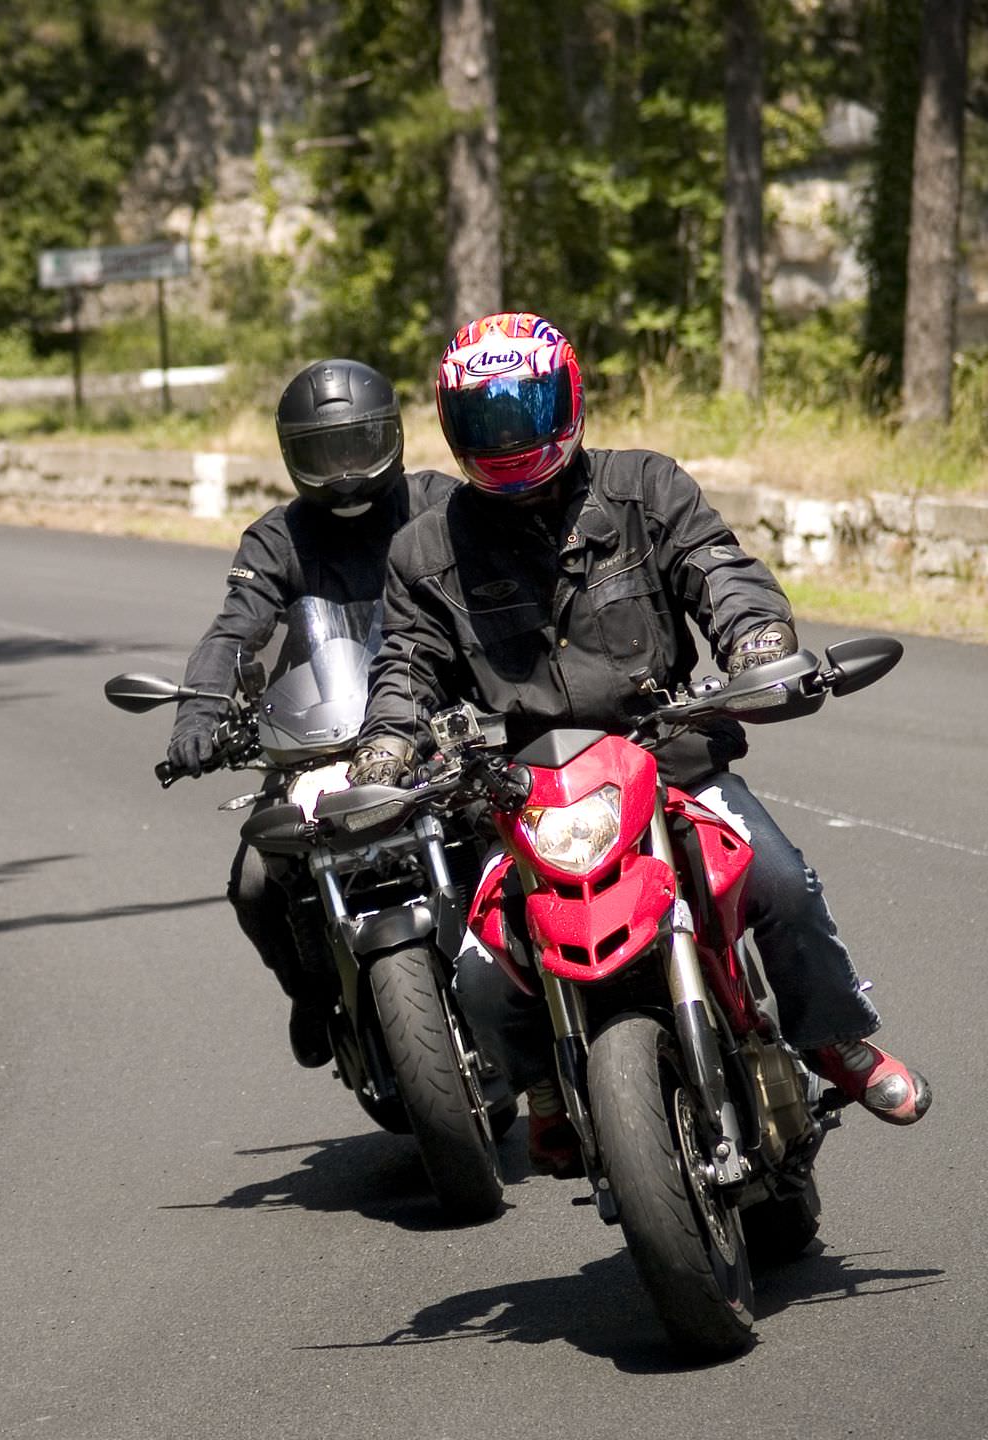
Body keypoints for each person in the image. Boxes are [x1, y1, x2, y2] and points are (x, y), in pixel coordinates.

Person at [348, 311, 930, 1171]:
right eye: (485, 418)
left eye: (523, 410)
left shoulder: (644, 489)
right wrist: (386, 751)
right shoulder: (427, 549)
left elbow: (720, 568)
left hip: (670, 758)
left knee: (778, 880)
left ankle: (832, 1036)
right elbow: (406, 666)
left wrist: (758, 642)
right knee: (477, 967)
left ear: (569, 398)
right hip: (531, 795)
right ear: (449, 423)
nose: (506, 435)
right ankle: (547, 1085)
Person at [167, 358, 457, 1067]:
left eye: (358, 446)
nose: (346, 472)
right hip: (319, 740)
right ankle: (312, 990)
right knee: (256, 883)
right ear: (293, 455)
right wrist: (198, 715)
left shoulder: (439, 506)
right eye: (324, 454)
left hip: (438, 727)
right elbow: (234, 630)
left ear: (391, 436)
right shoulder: (276, 539)